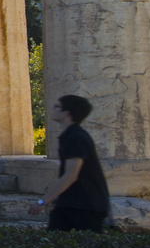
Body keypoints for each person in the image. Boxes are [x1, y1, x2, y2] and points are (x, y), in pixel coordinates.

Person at [31, 94, 111, 232]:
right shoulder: (71, 135)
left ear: (66, 113)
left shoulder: (76, 138)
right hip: (72, 204)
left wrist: (43, 201)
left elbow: (71, 175)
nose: (53, 109)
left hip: (85, 207)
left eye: (57, 106)